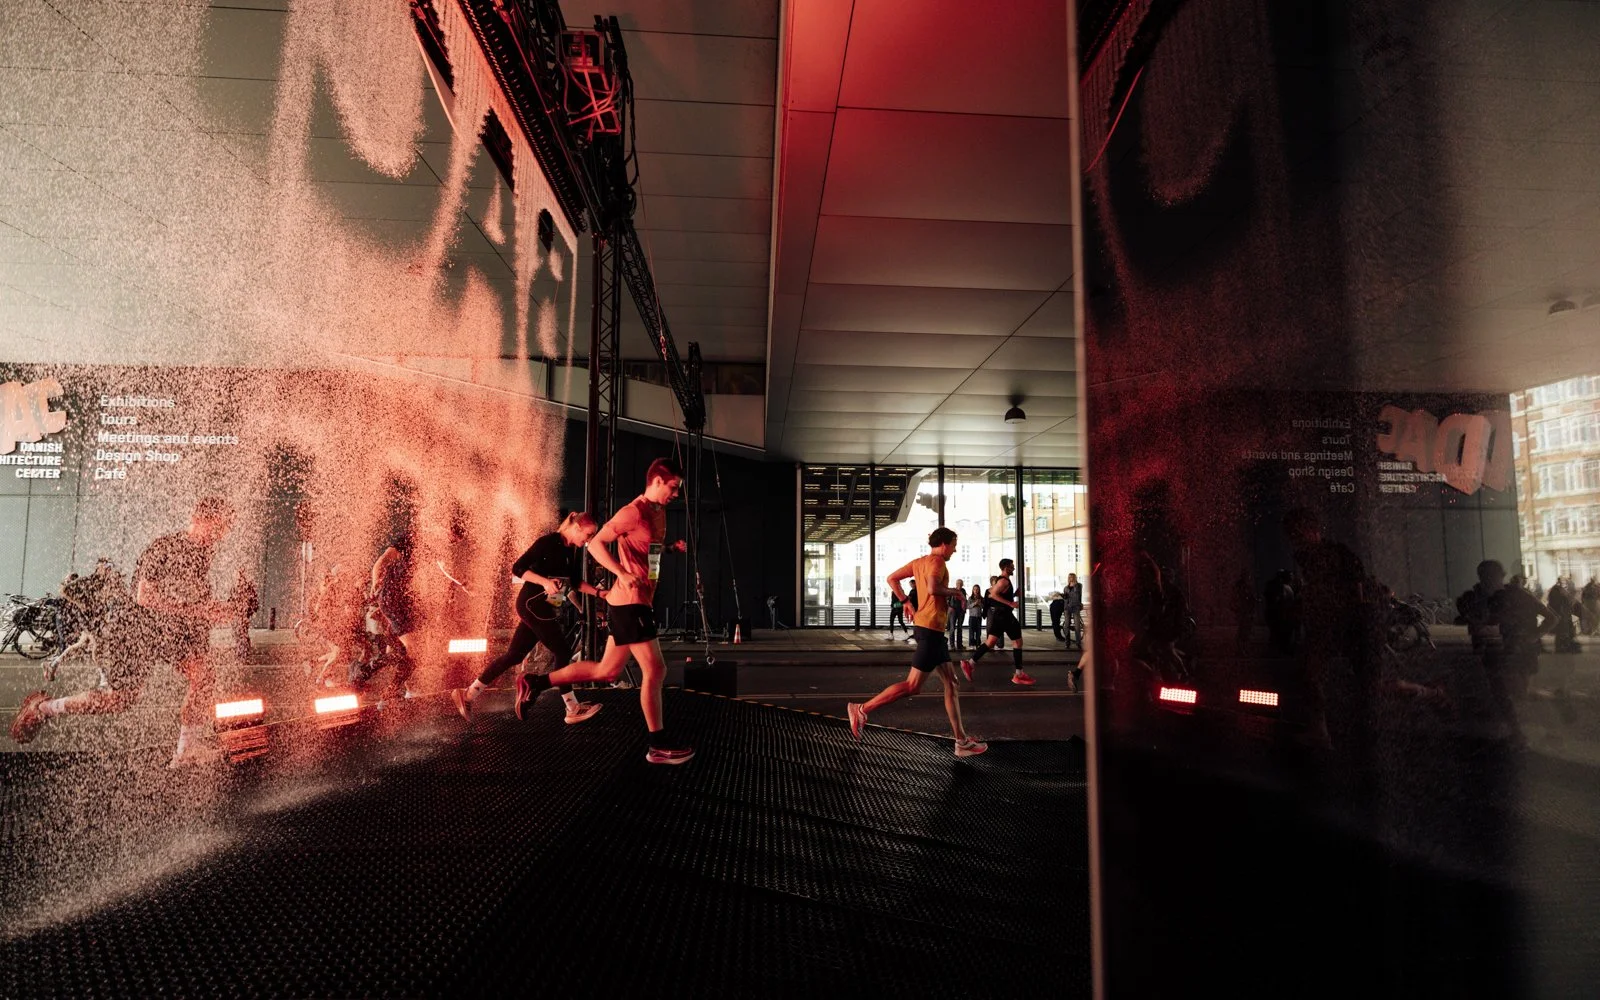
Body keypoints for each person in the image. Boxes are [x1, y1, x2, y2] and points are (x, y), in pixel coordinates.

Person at [11, 497, 237, 767]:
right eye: (218, 527)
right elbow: (145, 597)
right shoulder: (168, 546)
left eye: (225, 529)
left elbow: (187, 606)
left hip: (161, 635)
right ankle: (44, 709)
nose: (221, 535)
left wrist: (214, 611)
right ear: (200, 519)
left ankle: (187, 749)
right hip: (130, 631)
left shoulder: (202, 557)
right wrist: (201, 610)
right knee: (118, 700)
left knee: (204, 676)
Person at [514, 458, 695, 764]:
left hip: (636, 602)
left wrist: (668, 550)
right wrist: (622, 575)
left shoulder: (658, 511)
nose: (676, 494)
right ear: (658, 481)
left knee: (606, 671)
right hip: (629, 602)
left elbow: (644, 551)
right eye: (674, 487)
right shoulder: (633, 511)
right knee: (655, 669)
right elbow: (596, 544)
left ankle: (536, 682)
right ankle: (658, 746)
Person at [451, 512, 604, 724]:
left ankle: (468, 694)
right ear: (577, 527)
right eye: (588, 535)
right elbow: (517, 568)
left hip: (544, 607)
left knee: (514, 655)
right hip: (532, 604)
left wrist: (600, 593)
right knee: (563, 650)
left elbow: (576, 582)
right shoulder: (547, 542)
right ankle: (572, 707)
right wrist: (544, 582)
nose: (589, 540)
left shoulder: (574, 551)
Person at [848, 528, 986, 757]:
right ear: (942, 544)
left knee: (952, 683)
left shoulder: (919, 562)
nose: (955, 548)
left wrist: (905, 601)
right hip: (930, 630)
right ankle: (862, 709)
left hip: (931, 630)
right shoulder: (938, 562)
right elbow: (933, 589)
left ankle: (961, 741)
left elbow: (892, 578)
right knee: (913, 686)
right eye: (953, 544)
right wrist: (957, 592)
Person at [354, 523, 424, 700]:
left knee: (403, 652)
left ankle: (399, 689)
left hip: (406, 602)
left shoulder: (435, 545)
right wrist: (375, 583)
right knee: (413, 651)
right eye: (454, 538)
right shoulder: (410, 538)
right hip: (394, 599)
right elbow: (381, 561)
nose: (453, 542)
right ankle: (374, 675)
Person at [961, 558, 1034, 686]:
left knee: (990, 642)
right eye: (1012, 566)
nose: (1014, 568)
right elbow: (992, 595)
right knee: (1017, 642)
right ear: (1006, 568)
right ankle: (1019, 674)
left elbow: (997, 595)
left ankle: (970, 663)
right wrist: (1010, 603)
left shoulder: (1004, 581)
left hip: (999, 616)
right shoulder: (1003, 581)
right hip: (1005, 616)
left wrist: (1014, 595)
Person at [1063, 572, 1085, 651]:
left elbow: (1077, 595)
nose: (1070, 578)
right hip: (1067, 608)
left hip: (1076, 607)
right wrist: (1061, 595)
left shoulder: (1079, 586)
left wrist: (1074, 584)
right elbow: (1065, 598)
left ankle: (1078, 643)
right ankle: (1067, 643)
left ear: (1074, 578)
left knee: (1077, 626)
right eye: (1069, 577)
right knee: (1066, 626)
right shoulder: (1066, 587)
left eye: (1072, 577)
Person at [947, 578, 967, 650]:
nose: (959, 585)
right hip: (953, 611)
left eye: (961, 583)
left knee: (960, 628)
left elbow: (964, 600)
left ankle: (959, 645)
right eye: (958, 583)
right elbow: (948, 600)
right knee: (952, 628)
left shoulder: (963, 591)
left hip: (961, 611)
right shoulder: (952, 591)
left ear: (962, 584)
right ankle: (952, 645)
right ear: (956, 584)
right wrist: (949, 607)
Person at [966, 583, 985, 649]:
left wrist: (980, 604)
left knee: (978, 631)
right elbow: (967, 606)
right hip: (972, 617)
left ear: (979, 590)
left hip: (978, 617)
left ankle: (978, 644)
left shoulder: (981, 598)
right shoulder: (970, 598)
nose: (976, 591)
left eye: (977, 589)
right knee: (971, 631)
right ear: (973, 590)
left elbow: (984, 607)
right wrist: (974, 603)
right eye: (974, 589)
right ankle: (971, 644)